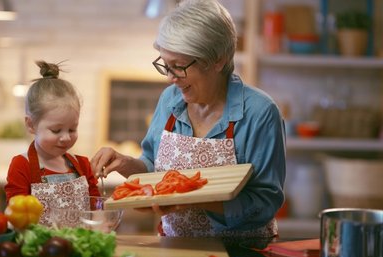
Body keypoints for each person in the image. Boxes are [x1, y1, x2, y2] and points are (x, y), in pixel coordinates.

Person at [91, 0, 286, 239]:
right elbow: (153, 169)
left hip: (240, 251)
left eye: (179, 66)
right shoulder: (170, 100)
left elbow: (265, 202)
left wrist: (191, 199)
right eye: (165, 65)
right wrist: (123, 164)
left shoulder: (260, 113)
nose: (170, 78)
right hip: (174, 246)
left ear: (219, 60)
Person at [5, 60, 100, 226]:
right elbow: (16, 218)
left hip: (80, 248)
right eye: (56, 130)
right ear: (31, 125)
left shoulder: (83, 165)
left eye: (72, 129)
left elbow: (97, 210)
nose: (65, 138)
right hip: (41, 250)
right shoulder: (22, 165)